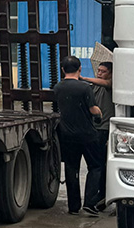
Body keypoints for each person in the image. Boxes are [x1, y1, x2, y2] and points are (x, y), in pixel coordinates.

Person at [53, 56, 103, 216]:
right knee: (95, 167)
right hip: (88, 135)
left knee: (71, 168)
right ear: (80, 69)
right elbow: (93, 109)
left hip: (67, 135)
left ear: (62, 70)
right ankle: (90, 203)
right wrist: (99, 114)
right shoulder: (84, 88)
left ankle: (73, 206)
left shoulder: (58, 87)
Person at [81, 61, 114, 212]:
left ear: (111, 73)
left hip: (104, 129)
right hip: (92, 129)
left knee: (100, 165)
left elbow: (106, 83)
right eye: (98, 70)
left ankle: (99, 197)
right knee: (97, 165)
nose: (99, 73)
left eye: (103, 71)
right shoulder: (92, 88)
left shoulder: (110, 85)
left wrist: (84, 78)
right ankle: (96, 198)